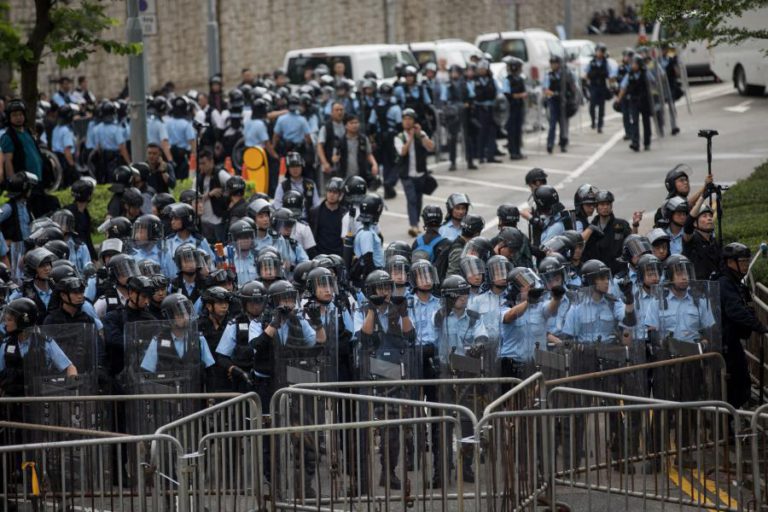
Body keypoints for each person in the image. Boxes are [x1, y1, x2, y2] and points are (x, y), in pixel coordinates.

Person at [718, 243, 768, 408]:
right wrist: (759, 326)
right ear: (731, 262)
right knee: (734, 386)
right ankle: (730, 426)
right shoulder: (725, 283)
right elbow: (735, 311)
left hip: (733, 341)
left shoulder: (735, 282)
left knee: (742, 383)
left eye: (748, 261)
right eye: (743, 261)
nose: (747, 265)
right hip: (726, 344)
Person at [0, 298, 76, 398]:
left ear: (23, 320)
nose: (6, 323)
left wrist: (73, 384)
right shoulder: (6, 344)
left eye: (9, 320)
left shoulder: (44, 342)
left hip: (38, 402)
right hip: (12, 403)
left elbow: (70, 367)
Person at [394, 108, 435, 237]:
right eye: (405, 119)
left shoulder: (421, 133)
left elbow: (430, 147)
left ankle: (416, 223)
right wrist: (411, 137)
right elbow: (403, 152)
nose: (407, 122)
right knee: (411, 199)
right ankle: (414, 225)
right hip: (407, 175)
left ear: (414, 121)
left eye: (410, 119)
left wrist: (420, 135)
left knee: (418, 199)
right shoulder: (399, 137)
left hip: (420, 173)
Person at [582, 190, 631, 275]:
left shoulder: (622, 225)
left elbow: (631, 242)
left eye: (607, 204)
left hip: (618, 275)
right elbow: (581, 247)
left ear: (611, 206)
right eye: (602, 204)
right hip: (597, 275)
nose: (605, 207)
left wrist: (635, 225)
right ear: (596, 207)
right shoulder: (589, 229)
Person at [368, 83, 403, 199]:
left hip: (379, 138)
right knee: (397, 162)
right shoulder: (395, 108)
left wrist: (372, 139)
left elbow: (371, 125)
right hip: (392, 137)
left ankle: (388, 188)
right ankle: (389, 182)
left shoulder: (375, 108)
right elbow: (399, 125)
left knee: (385, 163)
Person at [441, 64, 477, 170]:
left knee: (468, 138)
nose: (454, 74)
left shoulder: (466, 84)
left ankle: (470, 161)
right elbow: (444, 99)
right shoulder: (447, 85)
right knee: (453, 138)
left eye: (456, 72)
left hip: (465, 112)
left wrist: (468, 105)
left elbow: (471, 96)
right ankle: (452, 162)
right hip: (453, 113)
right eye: (452, 72)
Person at [614, 55, 653, 152]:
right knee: (634, 121)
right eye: (632, 64)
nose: (633, 66)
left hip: (645, 101)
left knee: (646, 122)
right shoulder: (629, 74)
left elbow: (653, 82)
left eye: (635, 64)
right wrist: (618, 99)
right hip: (634, 101)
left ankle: (647, 142)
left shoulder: (645, 73)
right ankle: (635, 143)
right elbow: (623, 87)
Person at [308, 177, 348, 257]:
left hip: (338, 256)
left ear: (341, 194)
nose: (331, 195)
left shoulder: (345, 214)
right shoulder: (314, 212)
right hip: (319, 255)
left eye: (335, 192)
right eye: (329, 191)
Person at [682, 198, 720, 280]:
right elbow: (688, 224)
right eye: (704, 216)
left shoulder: (714, 242)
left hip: (714, 287)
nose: (709, 218)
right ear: (695, 223)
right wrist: (702, 197)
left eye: (710, 216)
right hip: (696, 289)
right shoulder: (691, 240)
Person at [542, 56, 573, 154]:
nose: (553, 65)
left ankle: (563, 143)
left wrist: (568, 94)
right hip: (553, 102)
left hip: (563, 102)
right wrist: (554, 93)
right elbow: (545, 90)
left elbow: (572, 87)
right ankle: (550, 144)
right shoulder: (549, 75)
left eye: (555, 63)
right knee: (552, 124)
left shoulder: (565, 75)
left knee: (563, 124)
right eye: (552, 63)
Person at [585, 43, 616, 133]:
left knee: (601, 108)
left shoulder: (606, 63)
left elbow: (610, 75)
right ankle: (593, 121)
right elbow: (586, 74)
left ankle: (600, 125)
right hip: (593, 86)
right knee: (592, 106)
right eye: (597, 51)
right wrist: (585, 81)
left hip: (602, 87)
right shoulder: (591, 63)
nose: (599, 53)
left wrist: (612, 85)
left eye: (600, 51)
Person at [473, 59, 500, 163]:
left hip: (491, 108)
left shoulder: (491, 80)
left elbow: (496, 93)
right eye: (480, 69)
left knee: (492, 132)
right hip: (480, 109)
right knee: (481, 133)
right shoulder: (476, 81)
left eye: (484, 68)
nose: (482, 70)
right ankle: (480, 156)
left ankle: (491, 155)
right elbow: (477, 95)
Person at [502, 56, 527, 160]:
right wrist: (519, 95)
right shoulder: (507, 80)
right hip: (511, 108)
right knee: (511, 130)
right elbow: (507, 95)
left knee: (518, 130)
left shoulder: (520, 79)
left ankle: (518, 150)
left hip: (519, 107)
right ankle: (513, 152)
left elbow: (524, 92)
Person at [166, 96, 196, 180]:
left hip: (170, 155)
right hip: (183, 156)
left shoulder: (167, 122)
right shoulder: (187, 124)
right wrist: (195, 158)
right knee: (183, 179)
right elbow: (192, 142)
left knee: (172, 178)